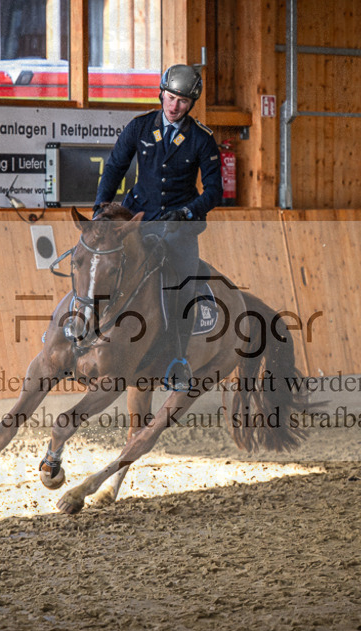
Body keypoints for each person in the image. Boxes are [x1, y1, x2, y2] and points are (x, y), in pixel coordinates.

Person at [93, 64, 223, 391]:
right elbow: (114, 168)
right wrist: (99, 208)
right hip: (137, 218)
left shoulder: (201, 140)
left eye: (182, 101)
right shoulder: (139, 127)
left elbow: (214, 191)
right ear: (161, 92)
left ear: (191, 104)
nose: (174, 105)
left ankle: (177, 360)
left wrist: (189, 212)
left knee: (181, 286)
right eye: (170, 96)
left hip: (178, 227)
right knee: (97, 264)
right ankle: (78, 332)